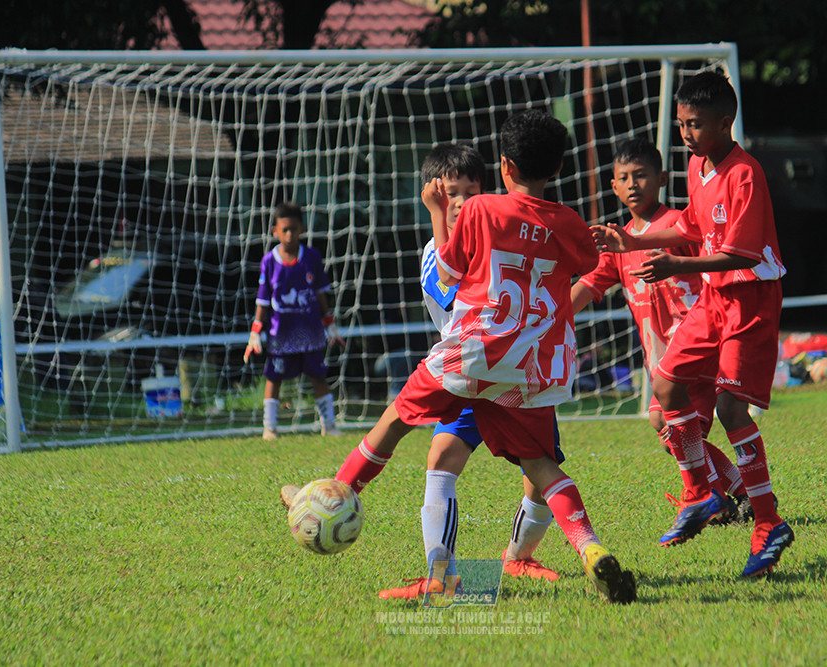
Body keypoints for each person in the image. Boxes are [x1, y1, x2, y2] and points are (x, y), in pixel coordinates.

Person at [330, 110, 636, 603]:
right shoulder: (569, 224)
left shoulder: (478, 213)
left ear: (503, 166)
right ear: (557, 169)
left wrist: (436, 213)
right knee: (540, 467)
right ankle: (589, 545)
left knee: (393, 423)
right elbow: (588, 261)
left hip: (474, 354)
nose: (456, 201)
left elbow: (450, 274)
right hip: (536, 366)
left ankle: (337, 496)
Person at [593, 71, 794, 578]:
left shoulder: (745, 173)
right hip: (715, 297)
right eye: (681, 124)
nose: (685, 133)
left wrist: (674, 265)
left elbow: (738, 253)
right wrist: (633, 242)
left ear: (726, 122)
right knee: (665, 384)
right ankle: (701, 491)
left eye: (696, 124)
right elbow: (691, 225)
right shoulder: (697, 165)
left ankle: (768, 522)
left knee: (730, 407)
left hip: (749, 297)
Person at [375, 143, 561, 600]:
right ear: (434, 197)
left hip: (515, 374)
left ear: (486, 190)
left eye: (469, 191)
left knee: (542, 470)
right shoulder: (430, 255)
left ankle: (518, 558)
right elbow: (458, 300)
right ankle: (443, 576)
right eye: (450, 194)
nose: (460, 202)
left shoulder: (506, 236)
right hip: (465, 375)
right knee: (440, 461)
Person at [572, 137, 751, 522]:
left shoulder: (677, 225)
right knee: (678, 434)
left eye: (642, 175)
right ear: (613, 186)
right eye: (625, 177)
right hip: (662, 358)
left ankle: (714, 496)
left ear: (662, 178)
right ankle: (733, 492)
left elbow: (713, 259)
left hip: (698, 341)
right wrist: (551, 315)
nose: (634, 184)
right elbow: (590, 285)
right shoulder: (619, 242)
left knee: (668, 424)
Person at [245, 202, 345, 439]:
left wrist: (329, 323)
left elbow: (320, 294)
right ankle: (269, 428)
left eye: (294, 229)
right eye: (284, 230)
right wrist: (255, 332)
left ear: (301, 228)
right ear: (275, 231)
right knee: (274, 378)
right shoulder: (269, 262)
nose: (289, 234)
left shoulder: (311, 257)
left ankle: (329, 425)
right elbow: (263, 300)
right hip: (281, 335)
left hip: (310, 332)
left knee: (318, 376)